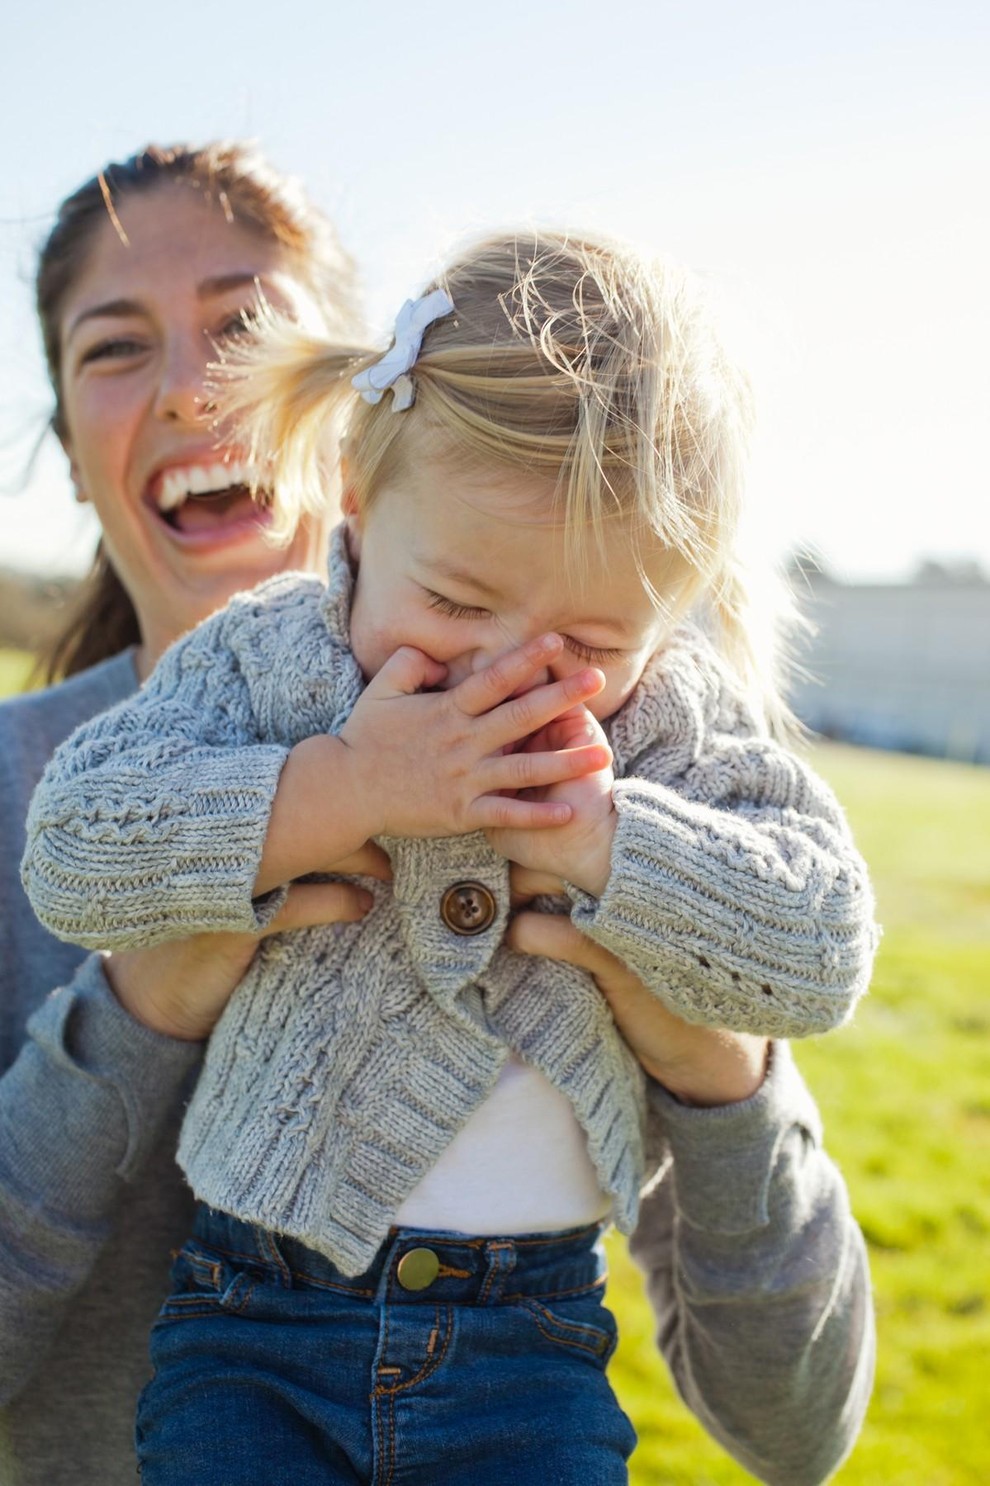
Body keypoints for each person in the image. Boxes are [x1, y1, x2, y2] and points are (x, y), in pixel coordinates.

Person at [22, 229, 879, 1484]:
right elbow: (76, 852)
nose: (510, 674)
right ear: (359, 506)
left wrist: (607, 840)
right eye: (462, 605)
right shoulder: (270, 658)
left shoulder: (667, 732)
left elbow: (823, 947)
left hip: (526, 1343)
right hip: (252, 1315)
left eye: (590, 636)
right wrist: (342, 787)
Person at [0, 141, 390, 1486]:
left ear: (359, 399)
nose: (189, 386)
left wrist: (711, 1062)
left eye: (249, 325)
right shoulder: (8, 793)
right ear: (67, 448)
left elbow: (798, 1423)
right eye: (116, 347)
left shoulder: (533, 752)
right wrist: (144, 997)